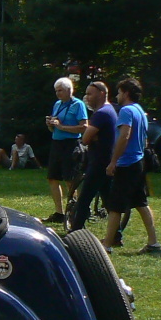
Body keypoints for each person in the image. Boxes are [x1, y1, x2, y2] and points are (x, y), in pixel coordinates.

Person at [104, 77, 160, 254]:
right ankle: (153, 242)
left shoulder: (126, 110)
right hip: (138, 162)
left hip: (127, 163)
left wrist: (114, 161)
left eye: (119, 92)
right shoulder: (139, 110)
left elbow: (124, 136)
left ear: (126, 93)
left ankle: (106, 245)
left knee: (115, 206)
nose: (117, 96)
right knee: (141, 203)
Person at [68, 81, 117, 232]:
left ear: (101, 94)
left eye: (90, 94)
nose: (87, 97)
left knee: (84, 198)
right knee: (108, 199)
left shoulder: (101, 113)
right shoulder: (110, 110)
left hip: (98, 163)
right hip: (106, 161)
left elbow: (85, 138)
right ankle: (116, 234)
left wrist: (92, 136)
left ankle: (75, 231)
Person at [45, 77, 88, 223]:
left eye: (60, 90)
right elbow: (54, 128)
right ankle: (59, 212)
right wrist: (50, 124)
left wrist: (62, 127)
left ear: (69, 90)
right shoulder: (57, 104)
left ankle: (74, 211)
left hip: (71, 144)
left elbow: (84, 127)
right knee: (52, 177)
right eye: (56, 91)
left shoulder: (78, 104)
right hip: (56, 143)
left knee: (70, 179)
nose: (58, 93)